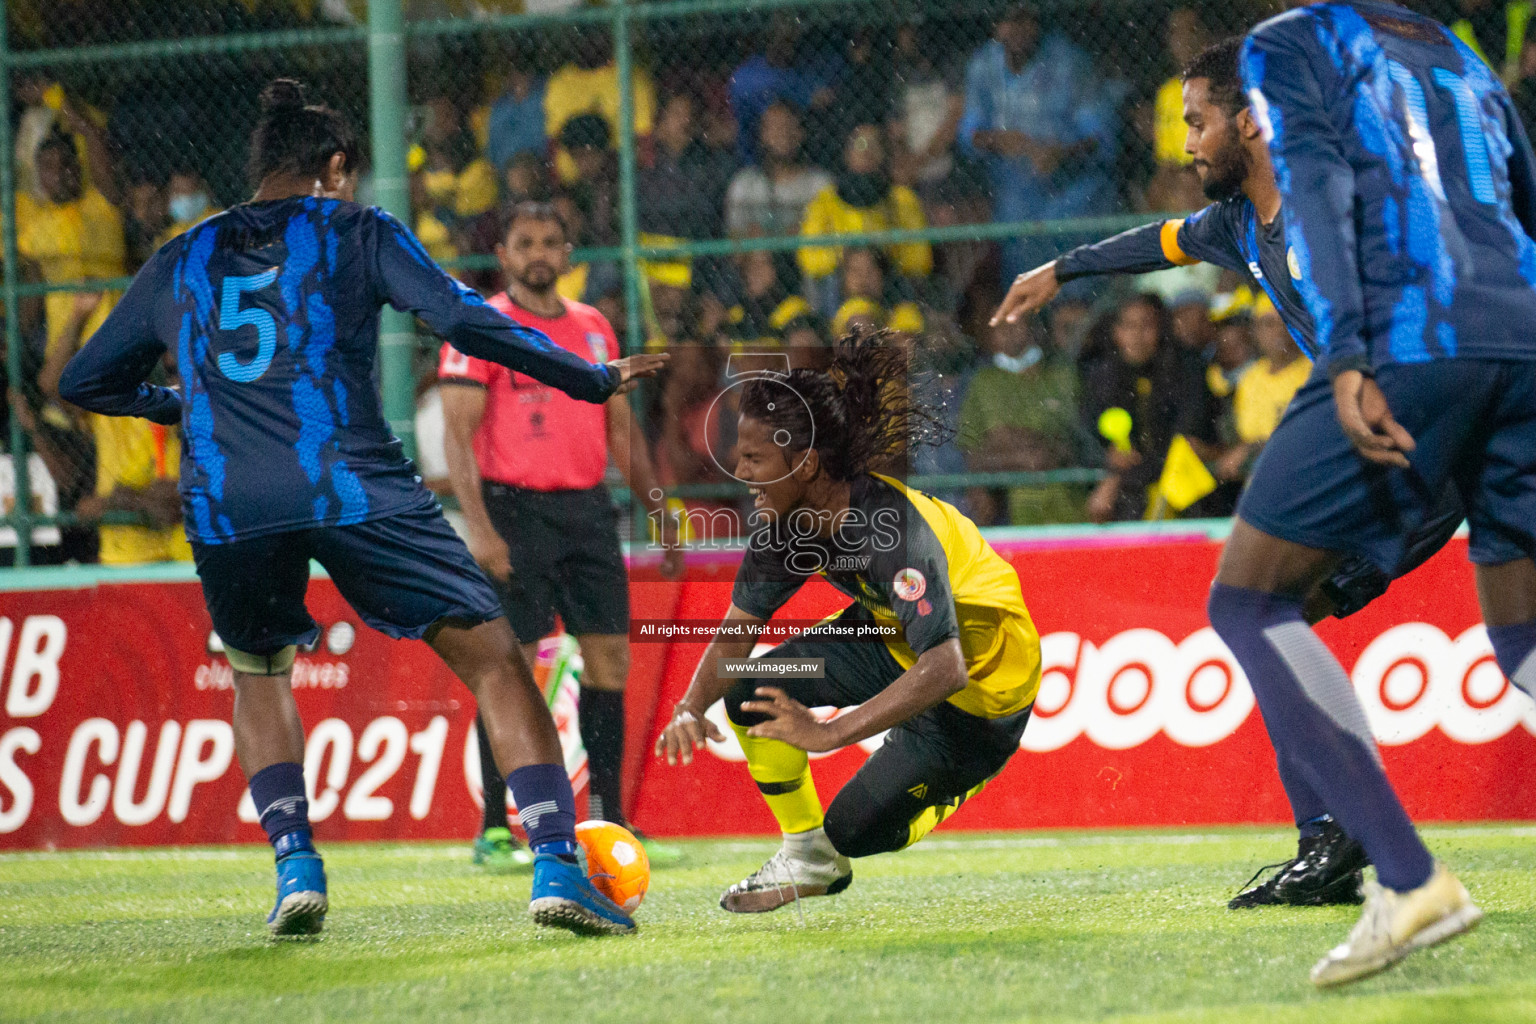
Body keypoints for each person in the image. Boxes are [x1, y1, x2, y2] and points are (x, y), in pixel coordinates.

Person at [56, 79, 666, 939]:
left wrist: (187, 402)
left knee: (258, 669)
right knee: (495, 659)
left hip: (230, 496)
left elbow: (84, 380)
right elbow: (461, 318)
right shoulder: (357, 230)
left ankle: (296, 865)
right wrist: (590, 378)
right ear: (336, 169)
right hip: (349, 481)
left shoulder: (181, 254)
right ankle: (558, 867)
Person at [989, 37, 1465, 911]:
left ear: (1251, 120)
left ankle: (1339, 837)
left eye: (1199, 121)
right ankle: (1331, 839)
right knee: (1270, 613)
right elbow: (1155, 243)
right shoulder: (1240, 224)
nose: (1187, 143)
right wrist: (1061, 268)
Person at [1219, 1, 1536, 982]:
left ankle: (1406, 877)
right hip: (1524, 333)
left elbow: (1313, 181)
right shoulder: (1462, 52)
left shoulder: (1287, 41)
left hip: (1412, 333)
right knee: (1524, 637)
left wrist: (1349, 349)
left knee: (1252, 598)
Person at [654, 331, 1041, 913]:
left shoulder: (892, 533)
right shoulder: (785, 524)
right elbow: (736, 635)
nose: (739, 468)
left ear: (805, 464)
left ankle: (952, 778)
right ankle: (809, 856)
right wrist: (689, 706)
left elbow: (947, 667)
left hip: (983, 686)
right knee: (749, 689)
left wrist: (832, 733)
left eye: (755, 457)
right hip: (886, 636)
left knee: (858, 831)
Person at [438, 202, 683, 866]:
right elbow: (456, 439)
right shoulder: (477, 327)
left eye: (550, 241)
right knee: (506, 669)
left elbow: (623, 432)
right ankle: (494, 827)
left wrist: (659, 510)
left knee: (609, 665)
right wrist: (481, 531)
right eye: (525, 243)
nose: (538, 253)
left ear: (569, 254)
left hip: (588, 513)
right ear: (506, 255)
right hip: (511, 513)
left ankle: (609, 820)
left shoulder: (595, 329)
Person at [959, 3, 1120, 278]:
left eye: (1027, 20)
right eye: (1010, 20)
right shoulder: (983, 65)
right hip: (1012, 195)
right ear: (997, 26)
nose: (1019, 30)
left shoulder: (1068, 63)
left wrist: (1062, 153)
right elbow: (967, 135)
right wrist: (996, 140)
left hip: (1071, 193)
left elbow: (1102, 137)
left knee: (1073, 279)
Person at [724, 102, 832, 238]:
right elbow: (735, 239)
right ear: (762, 135)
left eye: (789, 126)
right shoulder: (745, 183)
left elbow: (825, 236)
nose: (782, 133)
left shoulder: (820, 183)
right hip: (759, 256)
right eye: (775, 127)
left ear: (801, 133)